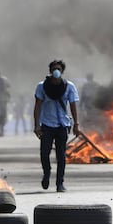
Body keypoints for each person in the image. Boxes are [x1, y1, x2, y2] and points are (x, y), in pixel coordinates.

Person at [33, 60, 81, 192]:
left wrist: (76, 124)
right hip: (47, 125)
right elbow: (37, 106)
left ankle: (60, 183)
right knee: (44, 153)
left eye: (59, 69)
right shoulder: (41, 87)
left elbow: (73, 106)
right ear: (50, 71)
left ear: (62, 71)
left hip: (62, 125)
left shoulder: (69, 86)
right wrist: (36, 125)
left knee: (61, 155)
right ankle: (46, 174)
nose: (56, 71)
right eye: (54, 68)